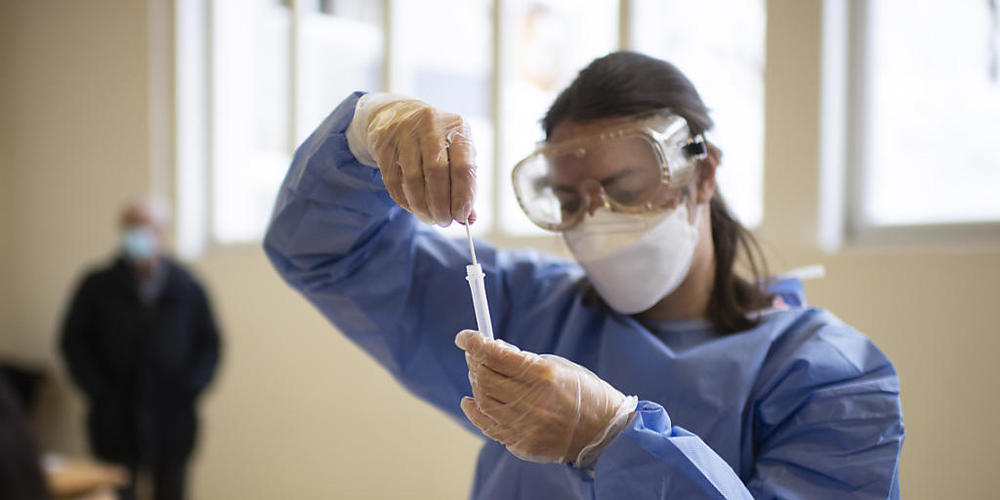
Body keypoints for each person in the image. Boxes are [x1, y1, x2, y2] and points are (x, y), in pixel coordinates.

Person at [264, 51, 903, 498]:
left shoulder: (828, 377)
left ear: (702, 175)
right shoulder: (529, 312)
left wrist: (613, 440)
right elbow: (323, 251)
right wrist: (365, 130)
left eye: (623, 189)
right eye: (569, 202)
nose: (594, 221)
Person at [60, 196, 220, 500]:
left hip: (172, 418)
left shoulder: (186, 286)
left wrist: (189, 388)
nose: (138, 235)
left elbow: (209, 343)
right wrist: (98, 391)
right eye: (131, 227)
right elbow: (73, 342)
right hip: (115, 418)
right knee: (117, 491)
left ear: (162, 232)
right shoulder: (97, 285)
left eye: (145, 227)